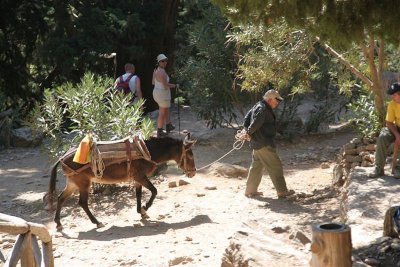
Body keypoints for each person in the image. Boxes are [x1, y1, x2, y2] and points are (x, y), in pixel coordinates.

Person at [242, 89, 295, 198]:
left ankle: (250, 190)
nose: (278, 102)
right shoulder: (263, 109)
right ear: (270, 99)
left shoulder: (258, 105)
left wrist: (246, 130)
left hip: (256, 143)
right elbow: (256, 123)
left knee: (256, 166)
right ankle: (282, 191)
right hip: (264, 143)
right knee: (275, 166)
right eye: (277, 100)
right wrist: (248, 132)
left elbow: (247, 118)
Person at [370, 82, 400, 178]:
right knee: (382, 137)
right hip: (397, 128)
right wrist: (397, 135)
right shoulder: (392, 104)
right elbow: (389, 123)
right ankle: (379, 168)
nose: (392, 97)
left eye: (394, 95)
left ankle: (398, 169)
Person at [152, 54, 178, 137]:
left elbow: (153, 82)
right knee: (162, 113)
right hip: (162, 94)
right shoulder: (161, 72)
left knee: (166, 109)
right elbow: (165, 85)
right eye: (162, 61)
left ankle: (168, 125)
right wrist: (175, 85)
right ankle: (159, 130)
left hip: (159, 93)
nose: (164, 62)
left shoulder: (156, 70)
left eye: (165, 61)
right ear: (159, 62)